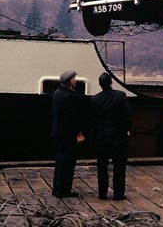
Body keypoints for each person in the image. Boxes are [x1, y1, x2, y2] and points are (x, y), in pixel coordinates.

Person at [90, 72, 132, 200]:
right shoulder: (120, 96)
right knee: (119, 166)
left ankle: (102, 193)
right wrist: (127, 129)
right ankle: (118, 194)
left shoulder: (94, 99)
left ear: (100, 84)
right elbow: (127, 115)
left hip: (101, 138)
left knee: (102, 167)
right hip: (118, 137)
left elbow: (92, 120)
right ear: (111, 82)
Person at [51, 70, 86, 198]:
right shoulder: (71, 96)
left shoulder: (57, 93)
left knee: (60, 160)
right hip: (67, 134)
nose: (75, 80)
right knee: (68, 162)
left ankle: (57, 188)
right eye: (74, 79)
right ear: (71, 81)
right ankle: (64, 190)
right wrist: (78, 133)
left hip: (57, 132)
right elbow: (72, 118)